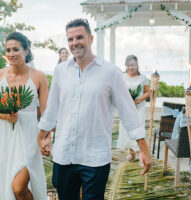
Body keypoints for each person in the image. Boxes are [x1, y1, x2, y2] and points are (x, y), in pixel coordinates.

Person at [38, 19, 152, 200]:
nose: (75, 43)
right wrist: (41, 137)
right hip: (63, 154)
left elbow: (128, 112)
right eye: (70, 39)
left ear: (91, 39)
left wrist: (143, 149)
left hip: (95, 157)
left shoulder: (111, 72)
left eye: (79, 37)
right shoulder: (60, 71)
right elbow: (52, 110)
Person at [0, 32, 48, 200]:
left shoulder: (39, 76)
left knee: (18, 188)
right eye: (8, 50)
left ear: (26, 51)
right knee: (6, 183)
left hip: (29, 135)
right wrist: (6, 117)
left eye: (16, 49)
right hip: (4, 134)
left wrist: (46, 138)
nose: (11, 54)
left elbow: (46, 113)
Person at [116, 55, 150, 161]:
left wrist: (139, 99)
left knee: (138, 129)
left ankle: (141, 153)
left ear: (137, 65)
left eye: (133, 65)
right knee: (127, 129)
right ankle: (131, 152)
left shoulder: (142, 77)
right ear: (126, 66)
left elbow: (148, 92)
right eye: (129, 65)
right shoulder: (121, 76)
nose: (131, 67)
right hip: (126, 108)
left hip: (139, 107)